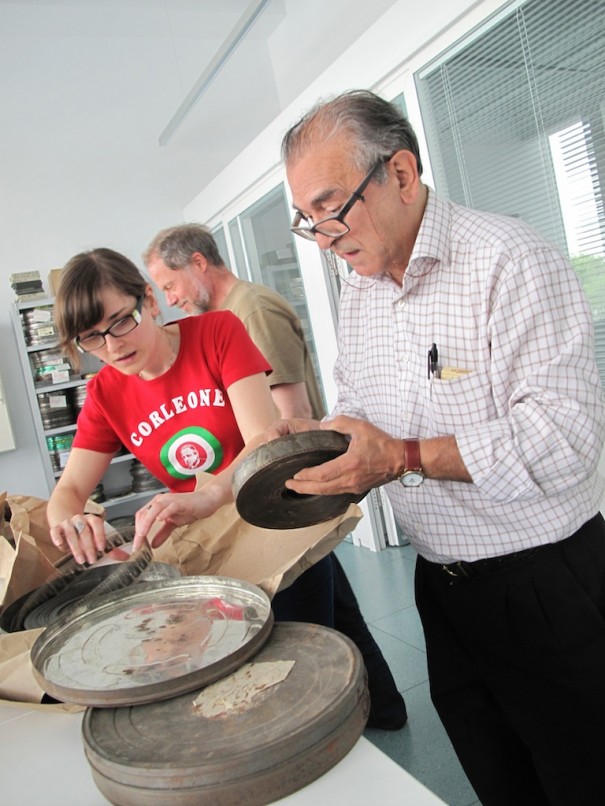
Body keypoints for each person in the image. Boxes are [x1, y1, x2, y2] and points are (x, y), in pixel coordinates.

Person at [268, 89, 605, 806]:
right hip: (442, 586)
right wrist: (321, 446)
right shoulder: (360, 287)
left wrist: (403, 457)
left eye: (333, 208)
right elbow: (363, 403)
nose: (324, 237)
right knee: (498, 776)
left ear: (399, 173)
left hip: (546, 585)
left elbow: (563, 439)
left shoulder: (507, 260)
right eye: (308, 221)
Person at [142, 223, 407, 730]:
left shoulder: (250, 312)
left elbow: (291, 416)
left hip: (286, 497)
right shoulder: (224, 316)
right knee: (341, 611)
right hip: (271, 500)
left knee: (311, 627)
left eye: (170, 284)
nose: (171, 299)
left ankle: (342, 722)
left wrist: (277, 498)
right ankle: (386, 710)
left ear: (198, 263)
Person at [47, 247, 335, 630]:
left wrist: (208, 495)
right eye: (91, 338)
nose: (112, 346)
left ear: (148, 301)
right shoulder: (104, 392)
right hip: (211, 544)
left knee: (319, 633)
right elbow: (68, 491)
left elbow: (263, 443)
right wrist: (74, 524)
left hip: (275, 519)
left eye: (120, 321)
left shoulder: (217, 332)